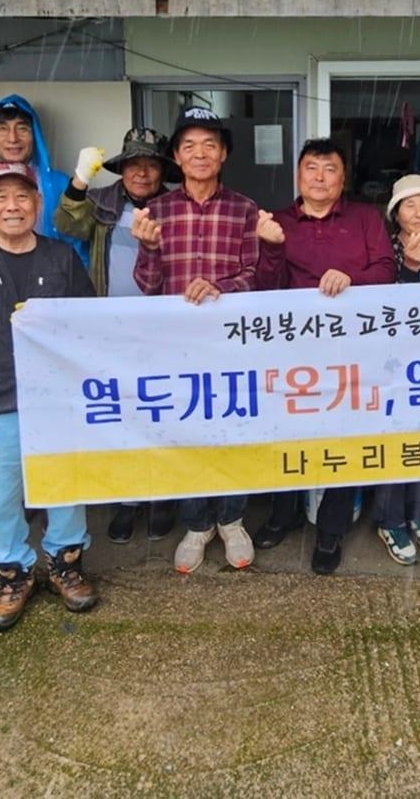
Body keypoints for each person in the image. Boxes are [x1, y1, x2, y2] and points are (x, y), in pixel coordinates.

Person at [0, 161, 99, 631]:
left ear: (38, 203)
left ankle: (65, 565)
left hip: (55, 395)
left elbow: (88, 322)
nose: (13, 206)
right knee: (1, 491)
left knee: (65, 483)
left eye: (23, 196)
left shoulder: (61, 257)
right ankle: (12, 573)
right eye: (1, 198)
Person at [253, 139, 397, 574]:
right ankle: (284, 513)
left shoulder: (365, 218)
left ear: (343, 178)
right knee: (290, 433)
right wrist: (273, 247)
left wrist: (350, 277)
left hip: (353, 350)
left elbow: (388, 271)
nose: (319, 176)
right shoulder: (275, 221)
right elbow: (263, 288)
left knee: (342, 436)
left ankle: (331, 528)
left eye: (329, 169)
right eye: (311, 168)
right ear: (299, 176)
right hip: (292, 351)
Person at [132, 107, 261, 574]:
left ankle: (231, 519)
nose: (200, 153)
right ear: (176, 157)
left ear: (223, 154)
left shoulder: (244, 208)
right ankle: (196, 522)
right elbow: (147, 285)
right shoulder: (157, 212)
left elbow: (254, 275)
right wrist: (148, 249)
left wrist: (220, 289)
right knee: (185, 431)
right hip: (175, 346)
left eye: (210, 144)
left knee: (230, 429)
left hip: (230, 344)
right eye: (190, 146)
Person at [55, 126, 180, 544]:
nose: (141, 173)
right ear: (121, 169)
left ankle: (162, 497)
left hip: (163, 328)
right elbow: (66, 226)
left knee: (162, 411)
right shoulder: (102, 202)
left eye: (150, 164)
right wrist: (79, 181)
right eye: (133, 164)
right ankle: (126, 499)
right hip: (110, 329)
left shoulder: (175, 205)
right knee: (121, 414)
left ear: (162, 170)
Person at [374, 173, 420, 566]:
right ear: (396, 214)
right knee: (394, 439)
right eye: (410, 205)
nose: (419, 212)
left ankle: (418, 510)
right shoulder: (381, 249)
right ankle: (390, 520)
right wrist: (408, 265)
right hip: (390, 363)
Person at [0, 94, 86, 258]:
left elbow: (77, 244)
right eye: (2, 129)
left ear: (35, 135)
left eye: (22, 128)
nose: (13, 138)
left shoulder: (58, 183)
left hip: (50, 278)